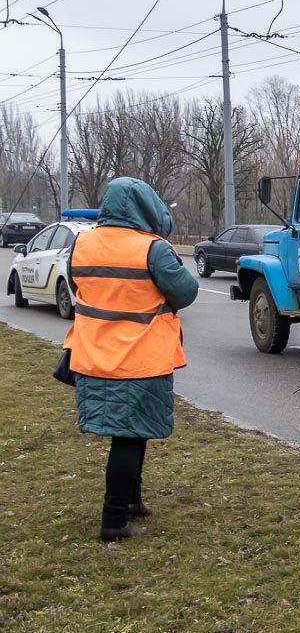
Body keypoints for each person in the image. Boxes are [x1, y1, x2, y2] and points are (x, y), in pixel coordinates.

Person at [63, 177, 198, 542]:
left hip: (92, 354)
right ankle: (113, 520)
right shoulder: (152, 249)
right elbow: (186, 292)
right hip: (139, 357)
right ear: (146, 206)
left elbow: (79, 288)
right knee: (129, 436)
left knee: (131, 433)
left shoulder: (82, 242)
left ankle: (133, 501)